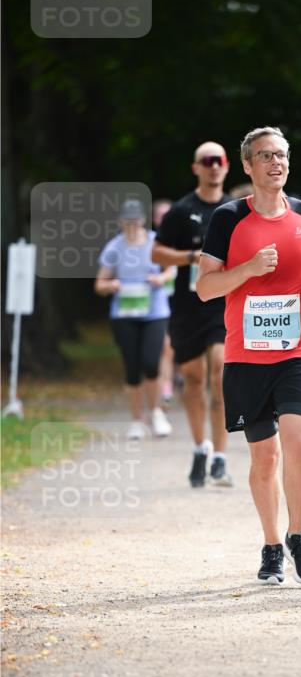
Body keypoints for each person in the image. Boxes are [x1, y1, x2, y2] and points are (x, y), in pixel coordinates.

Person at [197, 126, 301, 586]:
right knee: (265, 459)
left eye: (282, 155)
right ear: (248, 165)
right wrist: (249, 269)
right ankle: (272, 545)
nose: (276, 163)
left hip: (298, 349)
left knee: (298, 440)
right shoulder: (228, 219)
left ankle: (299, 536)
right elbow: (204, 288)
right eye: (266, 156)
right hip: (246, 356)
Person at [152, 143, 234, 487]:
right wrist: (190, 258)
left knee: (219, 372)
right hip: (188, 306)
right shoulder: (181, 211)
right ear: (196, 167)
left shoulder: (236, 210)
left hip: (223, 303)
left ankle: (220, 455)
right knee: (194, 378)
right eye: (207, 161)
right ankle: (200, 447)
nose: (214, 166)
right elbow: (157, 253)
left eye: (219, 161)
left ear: (228, 166)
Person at [95, 199, 173, 439]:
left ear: (143, 221)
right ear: (121, 222)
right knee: (132, 367)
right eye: (127, 222)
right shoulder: (114, 247)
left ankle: (157, 412)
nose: (131, 226)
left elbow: (171, 270)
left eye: (135, 221)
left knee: (151, 362)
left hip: (154, 312)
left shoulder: (155, 243)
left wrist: (161, 279)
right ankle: (136, 420)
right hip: (124, 314)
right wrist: (112, 285)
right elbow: (99, 284)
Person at [152, 199, 176, 406]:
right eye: (160, 215)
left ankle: (184, 377)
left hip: (184, 301)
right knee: (166, 346)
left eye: (167, 215)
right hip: (160, 300)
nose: (164, 219)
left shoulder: (185, 238)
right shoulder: (151, 243)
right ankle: (166, 386)